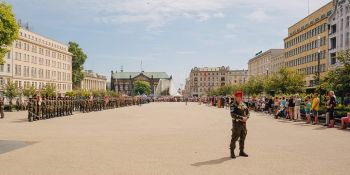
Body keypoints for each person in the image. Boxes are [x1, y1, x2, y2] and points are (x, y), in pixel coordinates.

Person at [230, 91, 249, 159]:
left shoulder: (244, 104)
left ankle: (241, 151)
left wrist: (246, 117)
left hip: (243, 124)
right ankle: (232, 152)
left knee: (242, 138)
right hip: (236, 124)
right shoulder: (233, 105)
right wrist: (241, 118)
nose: (240, 98)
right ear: (236, 97)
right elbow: (232, 115)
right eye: (238, 97)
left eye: (241, 97)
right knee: (234, 138)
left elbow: (247, 112)